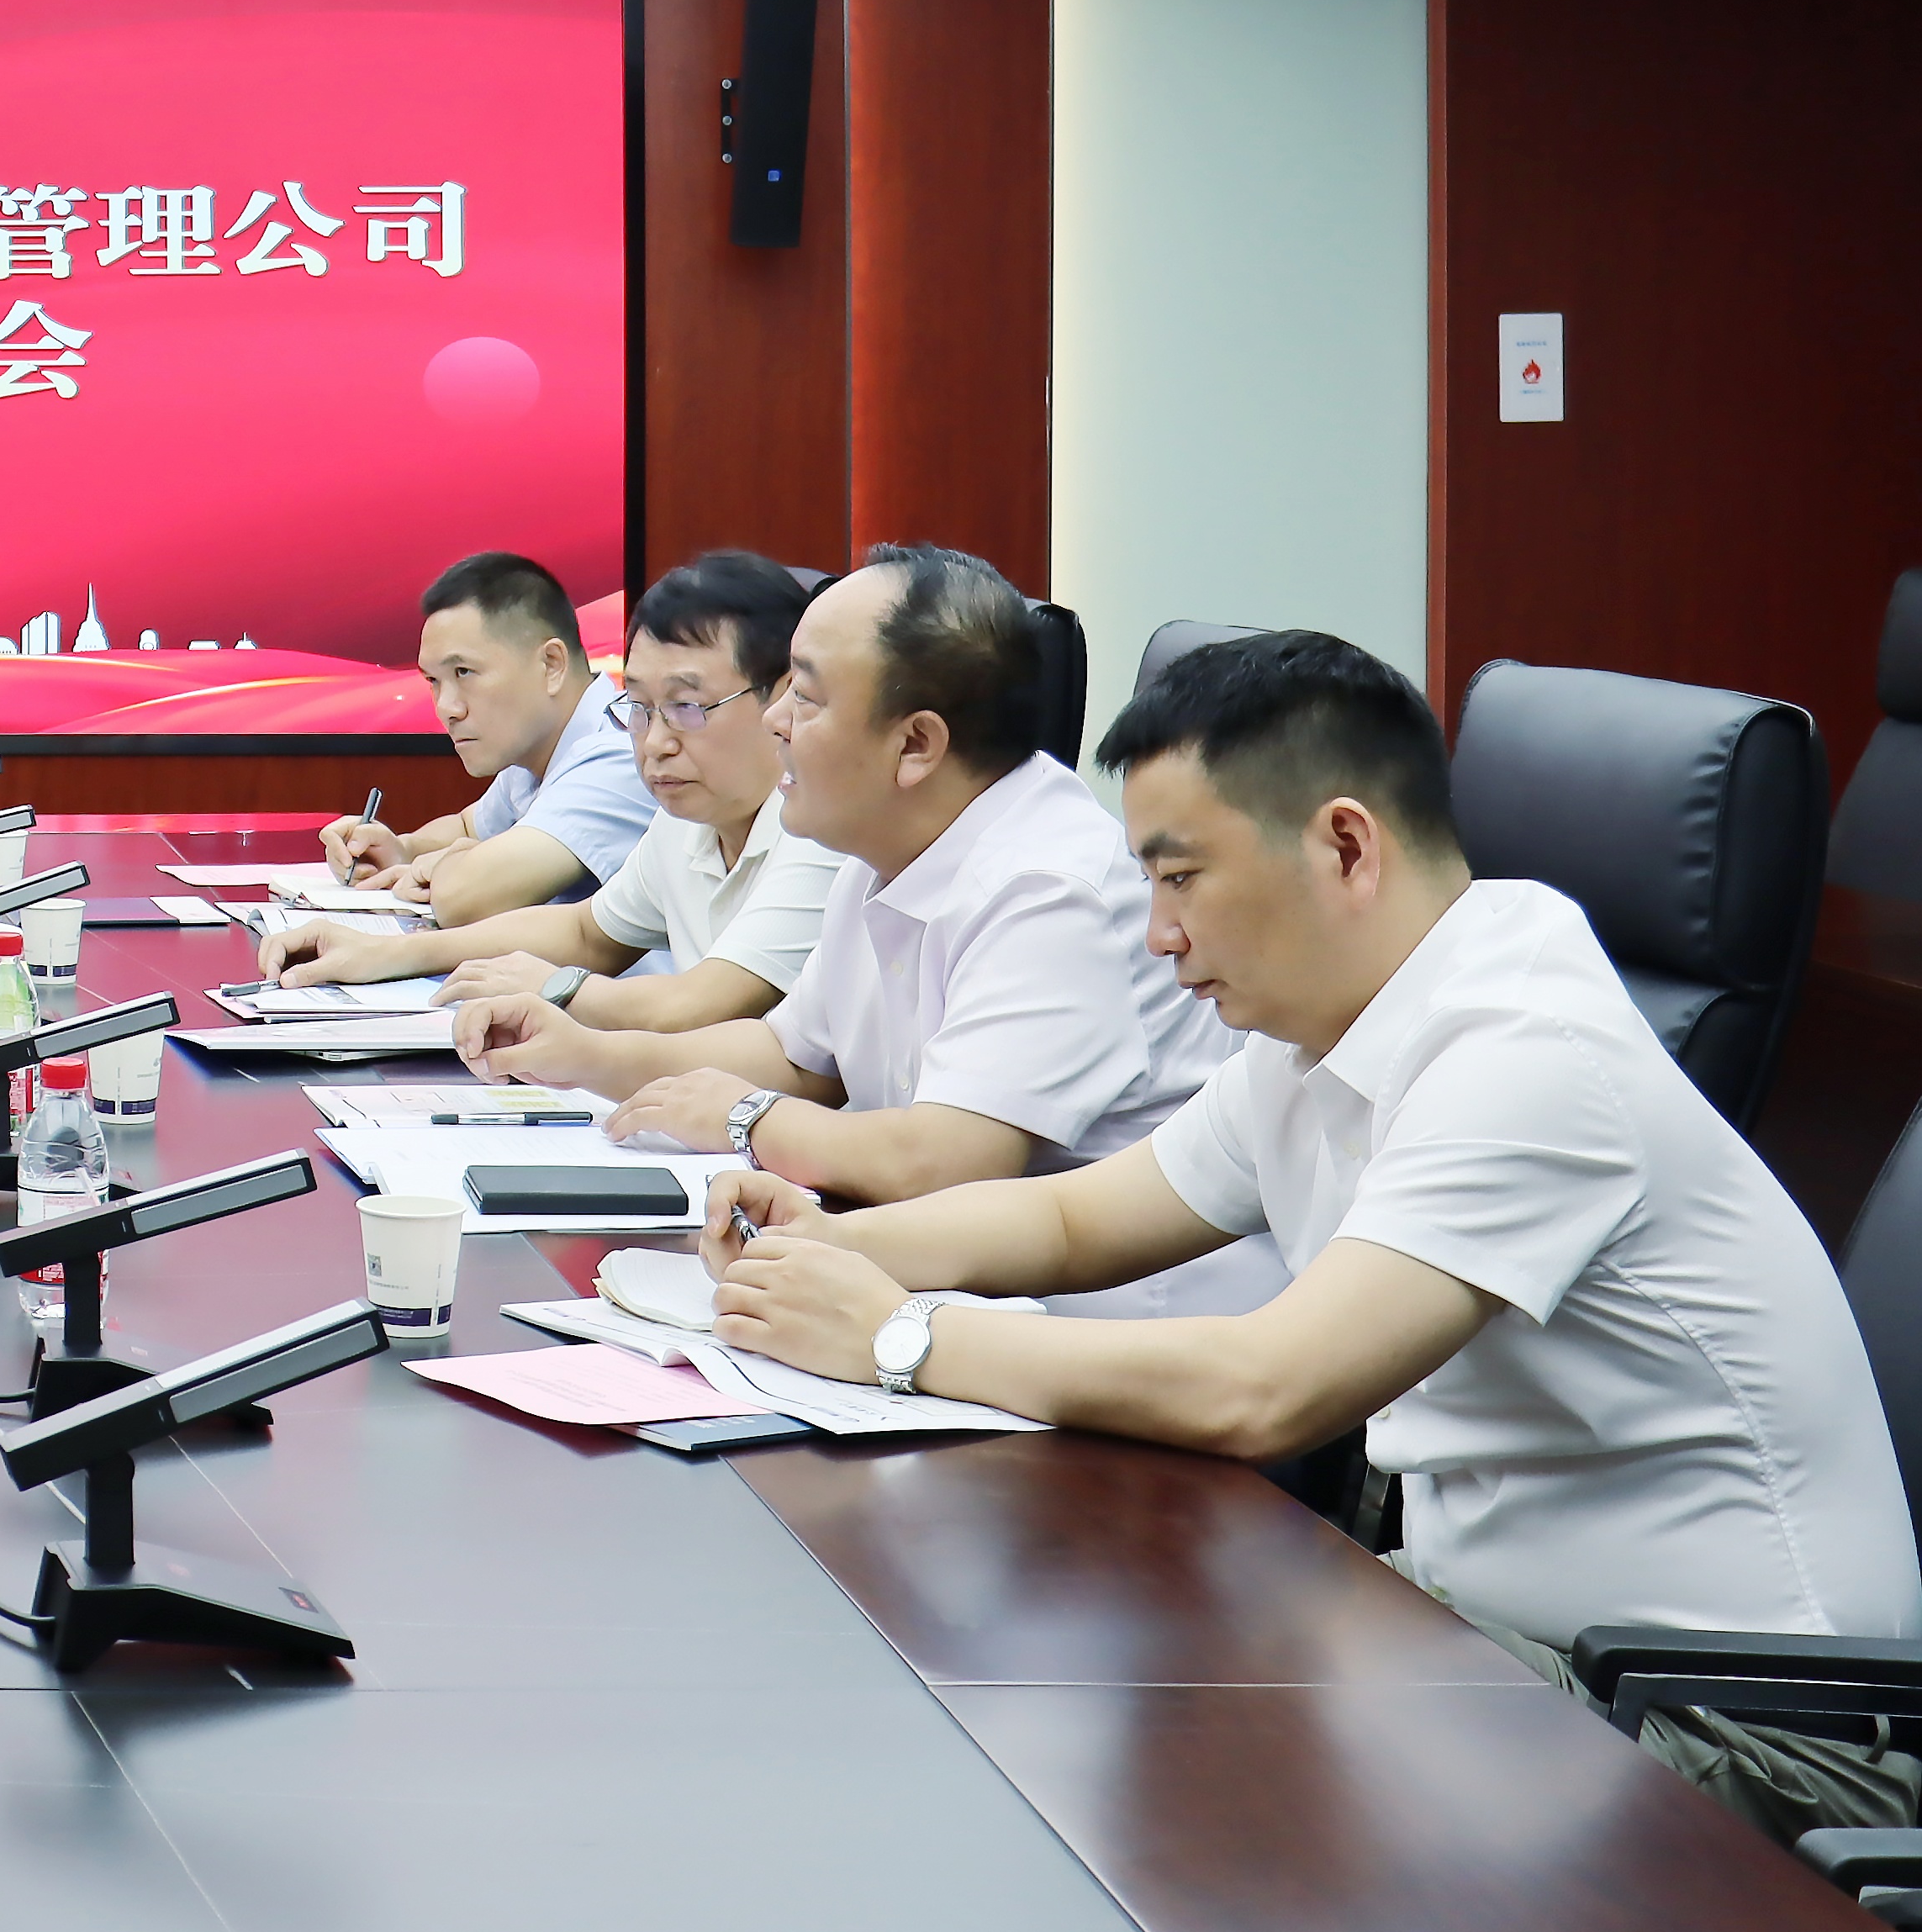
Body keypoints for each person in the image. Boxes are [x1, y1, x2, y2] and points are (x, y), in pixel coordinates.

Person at [703, 630, 1921, 1829]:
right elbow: (1075, 1217)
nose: (1158, 932)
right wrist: (829, 1249)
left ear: (1345, 845)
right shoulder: (1321, 1034)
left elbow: (1267, 1388)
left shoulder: (1528, 1053)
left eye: (1182, 878)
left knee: (1149, 1719)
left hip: (1744, 1727)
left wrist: (899, 1338)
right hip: (1511, 1647)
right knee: (1104, 1672)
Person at [564, 542, 1264, 1312]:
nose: (773, 719)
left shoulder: (1049, 888)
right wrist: (583, 1055)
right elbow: (795, 1055)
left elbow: (943, 1160)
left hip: (1107, 1320)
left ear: (916, 745)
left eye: (805, 696)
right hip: (945, 1280)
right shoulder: (881, 848)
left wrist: (746, 1118)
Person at [268, 552, 845, 1074]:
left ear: (786, 699)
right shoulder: (686, 815)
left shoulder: (822, 829)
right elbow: (587, 931)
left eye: (687, 707)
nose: (655, 743)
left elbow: (699, 1003)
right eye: (640, 707)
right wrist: (383, 954)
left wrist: (558, 987)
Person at [315, 551, 657, 926]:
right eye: (433, 681)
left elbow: (466, 898)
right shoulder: (534, 748)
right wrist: (400, 850)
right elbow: (468, 827)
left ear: (551, 665)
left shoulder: (621, 754)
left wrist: (450, 868)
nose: (446, 708)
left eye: (464, 672)